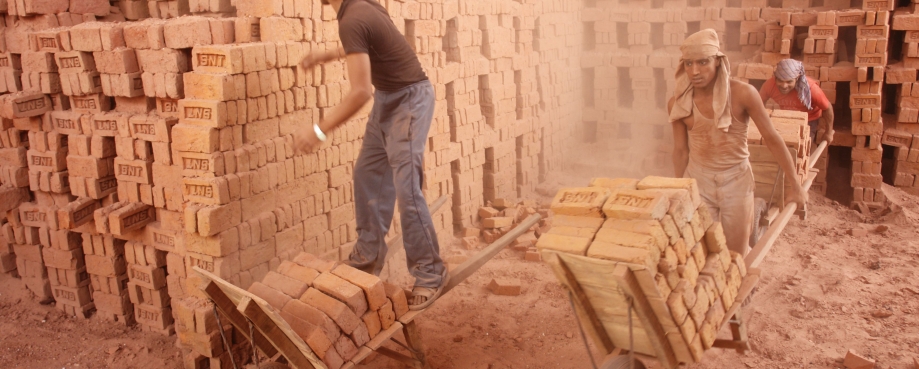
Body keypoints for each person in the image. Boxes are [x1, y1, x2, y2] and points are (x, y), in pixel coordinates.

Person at [294, 0, 447, 310]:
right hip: (390, 99)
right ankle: (367, 258)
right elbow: (371, 45)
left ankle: (430, 272)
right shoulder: (363, 7)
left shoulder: (352, 18)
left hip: (408, 101)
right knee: (367, 174)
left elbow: (360, 92)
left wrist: (319, 130)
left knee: (407, 190)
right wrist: (328, 55)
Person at [668, 29, 808, 255]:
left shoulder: (743, 94)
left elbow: (772, 138)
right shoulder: (679, 102)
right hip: (698, 179)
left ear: (718, 61)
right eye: (688, 63)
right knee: (701, 250)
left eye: (703, 62)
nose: (695, 71)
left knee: (736, 252)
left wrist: (796, 185)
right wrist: (678, 188)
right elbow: (680, 151)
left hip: (735, 180)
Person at [759, 58, 835, 145]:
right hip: (786, 117)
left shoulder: (810, 89)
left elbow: (827, 108)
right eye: (780, 81)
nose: (784, 86)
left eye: (789, 82)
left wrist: (828, 132)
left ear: (797, 79)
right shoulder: (769, 85)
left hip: (809, 120)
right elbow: (758, 103)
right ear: (775, 77)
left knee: (801, 149)